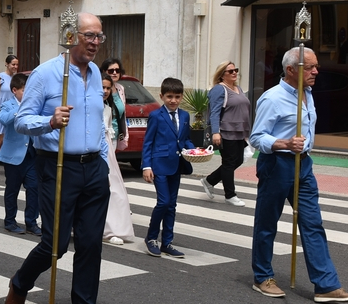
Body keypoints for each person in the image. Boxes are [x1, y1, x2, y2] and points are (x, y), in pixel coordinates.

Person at [4, 12, 114, 304]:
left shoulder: (96, 74)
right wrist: (49, 121)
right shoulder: (47, 73)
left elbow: (97, 120)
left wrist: (103, 160)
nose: (95, 43)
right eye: (89, 36)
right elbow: (22, 121)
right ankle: (19, 286)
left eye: (99, 37)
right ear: (72, 36)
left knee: (91, 244)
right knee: (54, 244)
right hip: (56, 164)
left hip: (93, 168)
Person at [249, 47, 348, 303]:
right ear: (291, 70)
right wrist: (284, 143)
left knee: (313, 223)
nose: (316, 71)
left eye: (316, 66)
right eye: (310, 67)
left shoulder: (308, 93)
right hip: (277, 164)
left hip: (303, 165)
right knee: (267, 223)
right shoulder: (272, 99)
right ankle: (262, 277)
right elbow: (256, 137)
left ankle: (326, 285)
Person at [142, 77, 195, 258]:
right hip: (159, 165)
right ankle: (150, 238)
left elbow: (185, 139)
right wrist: (146, 166)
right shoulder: (156, 116)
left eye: (177, 97)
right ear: (162, 96)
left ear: (182, 97)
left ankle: (167, 242)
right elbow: (148, 142)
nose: (173, 100)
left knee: (172, 205)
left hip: (177, 165)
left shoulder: (185, 116)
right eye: (169, 96)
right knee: (163, 202)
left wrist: (194, 150)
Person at [200, 61, 252, 207]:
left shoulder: (238, 88)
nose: (234, 73)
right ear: (222, 75)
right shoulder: (219, 89)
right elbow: (215, 113)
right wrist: (216, 132)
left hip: (239, 131)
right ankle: (230, 195)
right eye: (230, 71)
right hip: (226, 131)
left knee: (239, 160)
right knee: (229, 163)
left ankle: (209, 181)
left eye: (235, 70)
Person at [0, 73, 40, 236]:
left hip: (32, 155)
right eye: (24, 90)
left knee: (34, 188)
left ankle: (31, 222)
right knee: (12, 190)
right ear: (14, 90)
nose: (28, 94)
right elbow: (4, 119)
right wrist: (20, 109)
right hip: (13, 156)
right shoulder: (8, 105)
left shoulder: (34, 105)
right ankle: (10, 221)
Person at [102, 74, 133, 244]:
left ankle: (113, 228)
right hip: (94, 149)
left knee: (115, 190)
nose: (105, 91)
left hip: (107, 150)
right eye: (102, 88)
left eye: (108, 88)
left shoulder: (108, 107)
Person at [100, 58, 130, 153]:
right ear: (104, 72)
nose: (114, 73)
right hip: (102, 136)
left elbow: (122, 115)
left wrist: (125, 135)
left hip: (115, 136)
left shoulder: (120, 89)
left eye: (117, 70)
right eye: (111, 70)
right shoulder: (100, 89)